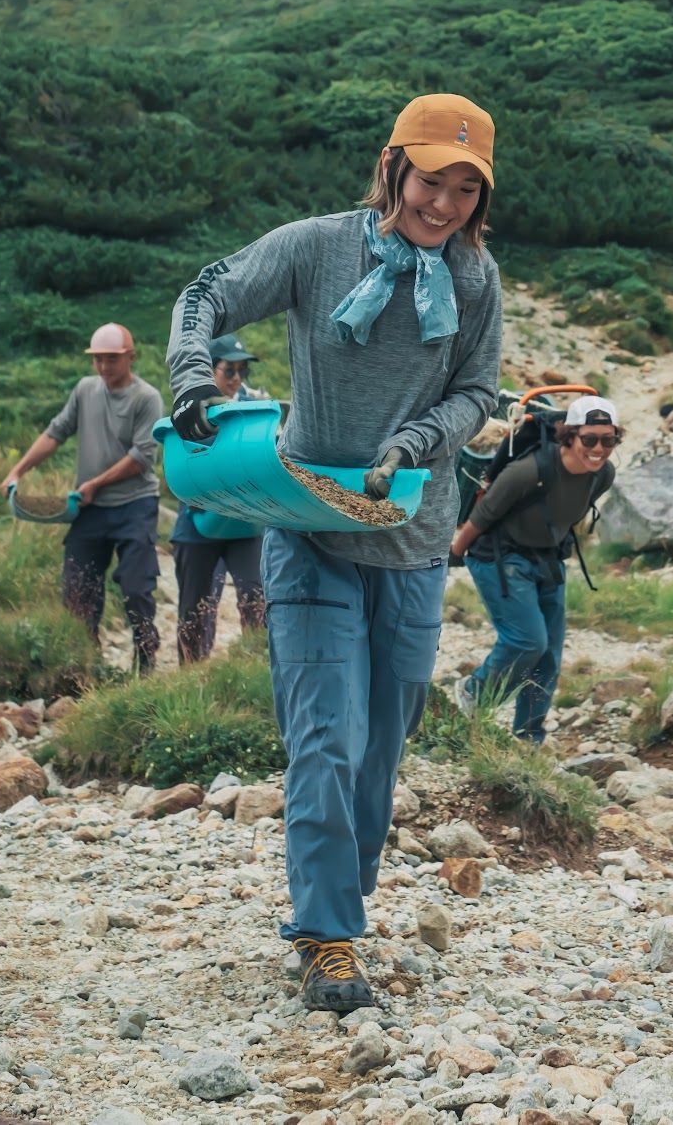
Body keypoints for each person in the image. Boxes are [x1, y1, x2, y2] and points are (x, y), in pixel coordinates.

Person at [166, 93, 501, 1014]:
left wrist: (419, 439)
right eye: (433, 179)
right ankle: (327, 936)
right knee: (327, 736)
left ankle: (340, 909)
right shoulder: (317, 247)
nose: (444, 204)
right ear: (394, 164)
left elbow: (480, 391)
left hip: (415, 541)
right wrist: (192, 371)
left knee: (379, 749)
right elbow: (207, 292)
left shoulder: (475, 280)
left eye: (466, 189)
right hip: (309, 531)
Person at [451, 395, 620, 745]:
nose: (598, 448)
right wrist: (452, 553)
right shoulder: (528, 471)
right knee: (527, 640)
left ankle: (529, 736)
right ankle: (472, 694)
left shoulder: (603, 475)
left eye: (608, 439)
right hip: (498, 556)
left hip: (547, 559)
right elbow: (480, 518)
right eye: (589, 439)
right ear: (569, 436)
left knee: (549, 656)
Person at [1, 322, 164, 672]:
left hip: (135, 505)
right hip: (90, 509)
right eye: (98, 360)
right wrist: (18, 470)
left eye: (112, 360)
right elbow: (55, 433)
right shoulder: (85, 390)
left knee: (136, 587)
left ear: (130, 357)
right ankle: (85, 667)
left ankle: (146, 660)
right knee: (78, 589)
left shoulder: (146, 398)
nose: (104, 367)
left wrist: (95, 483)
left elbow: (142, 458)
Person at [170, 333, 267, 664]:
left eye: (243, 371)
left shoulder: (254, 405)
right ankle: (191, 676)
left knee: (256, 600)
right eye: (230, 371)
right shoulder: (190, 407)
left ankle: (256, 672)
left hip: (245, 524)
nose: (237, 378)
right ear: (210, 371)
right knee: (195, 607)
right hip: (198, 523)